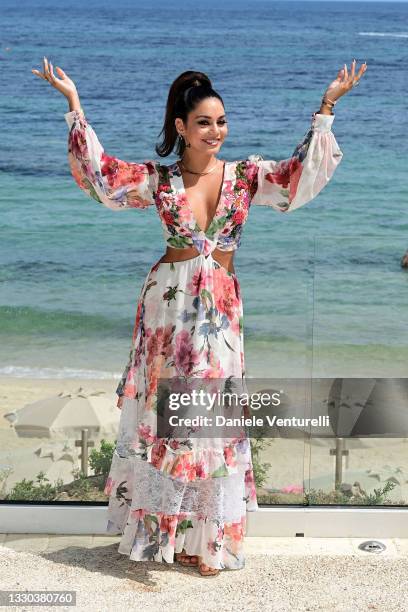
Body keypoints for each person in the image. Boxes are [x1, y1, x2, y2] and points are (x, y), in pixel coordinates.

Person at [32, 58, 367, 576]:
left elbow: (300, 179)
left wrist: (327, 107)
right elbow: (102, 179)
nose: (216, 131)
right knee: (168, 418)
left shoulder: (246, 176)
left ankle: (206, 541)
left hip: (220, 309)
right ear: (181, 128)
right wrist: (74, 105)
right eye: (205, 122)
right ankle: (164, 536)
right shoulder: (159, 180)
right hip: (168, 310)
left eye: (222, 121)